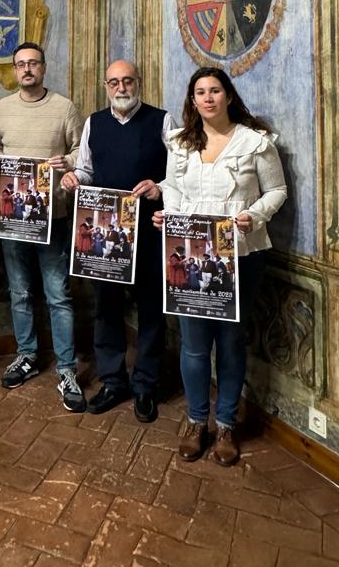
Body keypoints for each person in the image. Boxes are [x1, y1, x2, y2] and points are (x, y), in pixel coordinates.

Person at [155, 66, 287, 466]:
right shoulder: (180, 143)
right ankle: (197, 421)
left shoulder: (255, 142)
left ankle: (226, 423)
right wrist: (169, 216)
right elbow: (172, 188)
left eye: (215, 90)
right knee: (194, 345)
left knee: (230, 341)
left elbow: (277, 190)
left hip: (242, 253)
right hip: (192, 254)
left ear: (228, 96)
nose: (208, 98)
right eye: (200, 92)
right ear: (192, 100)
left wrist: (255, 215)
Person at [62, 59, 176, 423]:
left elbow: (180, 176)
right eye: (114, 82)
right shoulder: (94, 123)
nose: (121, 88)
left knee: (151, 312)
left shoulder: (163, 120)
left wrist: (161, 188)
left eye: (127, 81)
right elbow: (85, 169)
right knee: (107, 309)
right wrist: (72, 180)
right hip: (106, 239)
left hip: (151, 233)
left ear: (138, 82)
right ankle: (113, 381)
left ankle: (145, 384)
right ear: (105, 86)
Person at [0, 42, 85, 411]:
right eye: (21, 64)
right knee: (20, 292)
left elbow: (80, 151)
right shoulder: (1, 109)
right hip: (12, 218)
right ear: (14, 71)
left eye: (33, 63)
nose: (27, 69)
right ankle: (27, 355)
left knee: (58, 295)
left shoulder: (65, 108)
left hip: (54, 219)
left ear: (44, 68)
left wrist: (67, 163)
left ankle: (66, 369)